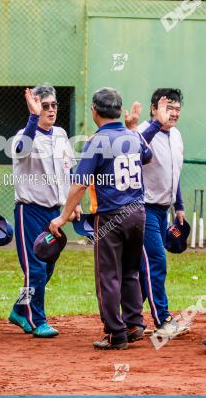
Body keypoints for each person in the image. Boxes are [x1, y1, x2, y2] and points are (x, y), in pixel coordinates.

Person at [49, 88, 152, 350]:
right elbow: (147, 156)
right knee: (130, 271)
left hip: (111, 216)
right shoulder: (132, 136)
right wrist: (132, 128)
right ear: (119, 110)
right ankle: (134, 323)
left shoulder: (97, 140)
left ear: (94, 111)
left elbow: (80, 184)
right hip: (138, 213)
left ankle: (116, 333)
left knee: (108, 275)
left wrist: (63, 217)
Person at [7, 86, 77, 338]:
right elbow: (20, 151)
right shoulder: (23, 135)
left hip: (53, 214)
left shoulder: (60, 135)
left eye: (53, 105)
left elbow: (69, 171)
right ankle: (37, 319)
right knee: (35, 268)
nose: (50, 110)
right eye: (44, 105)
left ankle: (19, 308)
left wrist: (74, 203)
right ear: (35, 107)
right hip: (29, 212)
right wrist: (32, 118)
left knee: (46, 268)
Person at [136, 88, 188, 339]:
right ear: (154, 109)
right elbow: (136, 149)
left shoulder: (176, 136)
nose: (174, 113)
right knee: (156, 261)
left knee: (144, 266)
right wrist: (157, 123)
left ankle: (131, 320)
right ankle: (162, 318)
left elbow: (174, 173)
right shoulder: (143, 132)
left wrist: (179, 206)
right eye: (168, 108)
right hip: (142, 209)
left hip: (163, 210)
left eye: (177, 108)